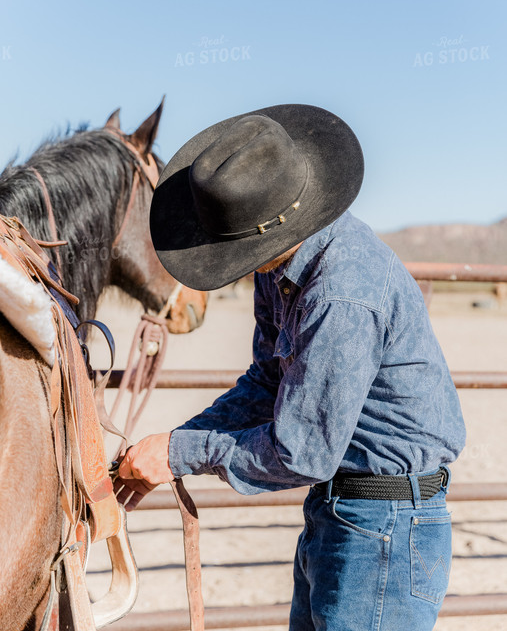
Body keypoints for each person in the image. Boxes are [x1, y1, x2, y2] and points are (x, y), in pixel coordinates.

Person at [115, 104, 466, 631]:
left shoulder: (340, 294)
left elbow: (302, 451)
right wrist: (176, 445)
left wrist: (180, 453)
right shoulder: (279, 262)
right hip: (345, 509)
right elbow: (268, 380)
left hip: (385, 526)